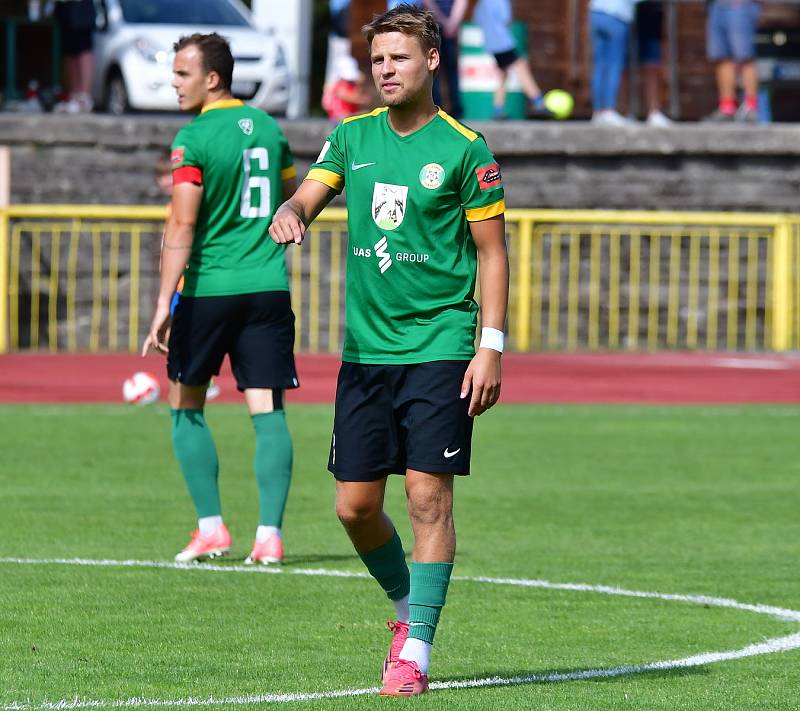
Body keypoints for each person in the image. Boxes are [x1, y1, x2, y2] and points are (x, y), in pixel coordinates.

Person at [269, 4, 508, 697]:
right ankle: (406, 611)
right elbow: (307, 198)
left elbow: (492, 256)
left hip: (440, 342)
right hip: (366, 353)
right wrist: (291, 212)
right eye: (377, 60)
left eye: (398, 58)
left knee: (427, 496)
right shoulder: (351, 137)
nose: (385, 70)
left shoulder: (466, 148)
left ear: (432, 61)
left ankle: (418, 651)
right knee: (353, 506)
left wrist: (489, 346)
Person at [142, 33, 299, 566]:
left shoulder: (194, 137)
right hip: (267, 288)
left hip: (209, 289)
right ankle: (269, 536)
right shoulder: (272, 129)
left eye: (182, 73)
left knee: (184, 405)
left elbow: (183, 222)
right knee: (266, 408)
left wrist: (164, 301)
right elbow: (289, 194)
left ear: (212, 78)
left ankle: (212, 528)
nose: (174, 82)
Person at [472, 0, 551, 119]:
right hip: (502, 42)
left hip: (491, 42)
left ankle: (498, 109)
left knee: (504, 74)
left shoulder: (483, 2)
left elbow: (476, 19)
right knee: (521, 67)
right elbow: (506, 17)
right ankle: (538, 101)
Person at [704, 0, 761, 123]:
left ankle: (751, 108)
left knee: (745, 58)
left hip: (741, 5)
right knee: (722, 58)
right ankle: (727, 108)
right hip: (716, 6)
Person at [589, 0, 642, 126]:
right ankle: (608, 109)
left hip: (596, 13)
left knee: (599, 66)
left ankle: (597, 112)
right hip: (616, 16)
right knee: (614, 65)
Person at [424, 0, 467, 118]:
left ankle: (454, 109)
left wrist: (450, 22)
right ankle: (438, 108)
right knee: (434, 68)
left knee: (449, 69)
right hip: (436, 26)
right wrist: (449, 22)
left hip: (447, 27)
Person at [52, 0, 96, 113]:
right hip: (65, 7)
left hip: (81, 8)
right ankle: (74, 97)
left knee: (84, 51)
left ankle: (84, 99)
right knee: (70, 53)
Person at [634, 1, 672, 126]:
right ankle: (624, 112)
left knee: (652, 66)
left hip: (653, 14)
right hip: (629, 14)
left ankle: (653, 111)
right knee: (625, 66)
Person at [322, 55, 372, 120]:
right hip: (339, 117)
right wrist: (361, 99)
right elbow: (344, 95)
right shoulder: (339, 84)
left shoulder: (352, 84)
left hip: (349, 115)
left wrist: (359, 84)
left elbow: (357, 93)